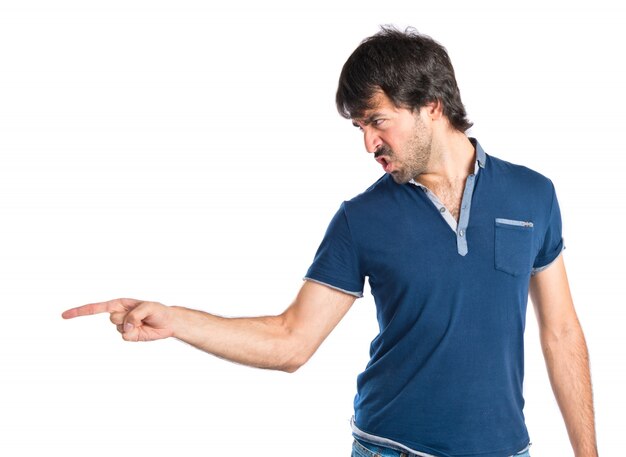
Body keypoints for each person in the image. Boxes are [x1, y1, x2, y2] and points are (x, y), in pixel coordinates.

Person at [62, 26, 598, 457]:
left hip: (506, 450)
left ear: (432, 106)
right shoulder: (361, 218)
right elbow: (290, 341)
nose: (369, 143)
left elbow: (562, 333)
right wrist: (176, 320)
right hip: (391, 448)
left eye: (378, 121)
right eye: (360, 127)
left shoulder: (533, 195)